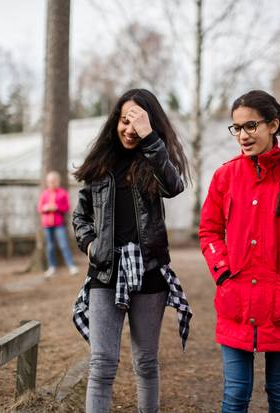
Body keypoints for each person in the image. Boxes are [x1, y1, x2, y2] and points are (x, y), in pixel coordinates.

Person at [199, 90, 280, 413]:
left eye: (250, 126)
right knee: (235, 395)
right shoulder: (225, 176)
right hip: (236, 303)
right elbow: (209, 231)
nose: (242, 135)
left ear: (273, 125)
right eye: (237, 128)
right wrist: (223, 272)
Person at [72, 88, 192, 413]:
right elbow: (81, 215)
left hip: (149, 270)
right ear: (116, 121)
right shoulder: (100, 164)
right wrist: (90, 244)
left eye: (137, 122)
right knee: (102, 363)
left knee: (146, 362)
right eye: (125, 120)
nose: (129, 129)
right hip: (105, 271)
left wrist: (150, 137)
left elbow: (174, 186)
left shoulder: (155, 160)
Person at [38, 171, 79, 278]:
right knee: (50, 246)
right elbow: (40, 208)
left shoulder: (63, 193)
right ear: (47, 182)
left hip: (59, 224)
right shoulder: (45, 194)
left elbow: (67, 207)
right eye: (50, 181)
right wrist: (45, 208)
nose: (52, 183)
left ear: (58, 181)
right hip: (47, 224)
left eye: (53, 181)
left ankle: (71, 266)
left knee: (64, 245)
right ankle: (52, 267)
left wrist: (57, 207)